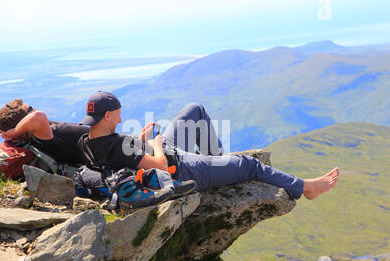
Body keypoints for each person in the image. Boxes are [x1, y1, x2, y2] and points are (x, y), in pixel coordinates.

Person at [78, 91, 339, 200]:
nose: (121, 118)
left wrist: (141, 142)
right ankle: (305, 187)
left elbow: (121, 155)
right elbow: (158, 164)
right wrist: (155, 144)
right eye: (118, 114)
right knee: (248, 164)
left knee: (195, 111)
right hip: (177, 169)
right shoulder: (119, 144)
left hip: (160, 154)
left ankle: (218, 162)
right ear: (109, 116)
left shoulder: (87, 142)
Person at [0, 99, 89, 166]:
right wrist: (14, 132)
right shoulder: (44, 137)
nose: (35, 109)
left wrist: (4, 131)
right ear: (26, 123)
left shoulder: (28, 137)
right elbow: (38, 116)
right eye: (30, 109)